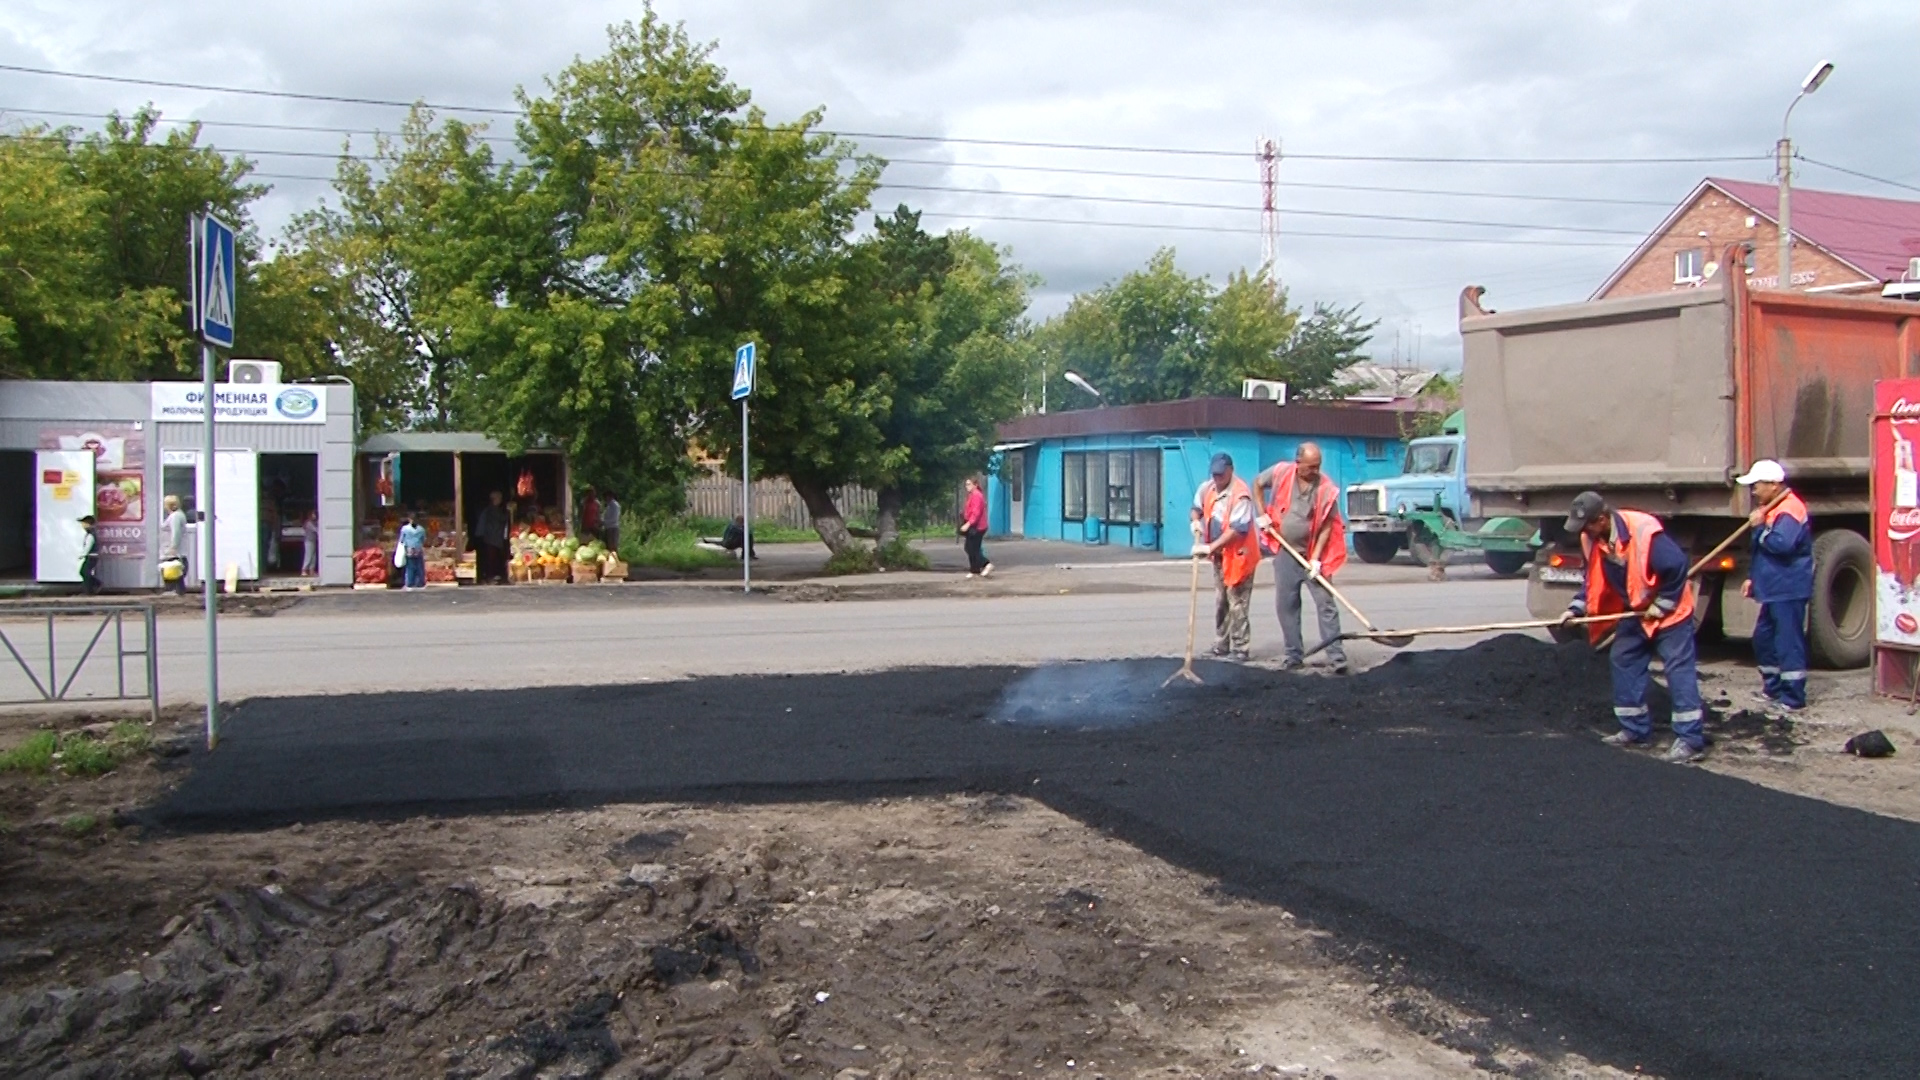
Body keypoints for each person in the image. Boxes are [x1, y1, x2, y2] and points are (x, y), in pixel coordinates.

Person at [1560, 491, 1706, 763]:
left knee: (1677, 668)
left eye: (1587, 526)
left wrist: (1662, 605)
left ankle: (1690, 740)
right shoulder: (1593, 539)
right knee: (1623, 658)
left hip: (1670, 613)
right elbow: (1592, 579)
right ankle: (1635, 729)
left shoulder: (1643, 531)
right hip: (1637, 612)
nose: (1583, 532)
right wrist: (1576, 608)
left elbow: (1677, 567)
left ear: (1601, 519)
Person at [1254, 442, 1349, 674]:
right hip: (1286, 551)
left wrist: (1316, 559)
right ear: (1298, 464)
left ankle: (1336, 657)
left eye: (1318, 466)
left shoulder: (1326, 488)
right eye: (1311, 467)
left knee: (1326, 604)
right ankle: (1293, 655)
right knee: (1287, 605)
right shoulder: (1281, 473)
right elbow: (1256, 484)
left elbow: (1327, 524)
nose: (1316, 471)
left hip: (1313, 553)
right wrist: (1262, 515)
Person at [1737, 459, 1813, 713]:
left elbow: (1782, 545)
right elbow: (1762, 553)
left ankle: (1793, 698)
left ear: (1773, 485)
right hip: (1773, 587)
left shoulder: (1789, 510)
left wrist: (1760, 530)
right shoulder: (1771, 509)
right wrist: (1753, 578)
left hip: (1788, 587)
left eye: (1756, 485)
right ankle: (1773, 689)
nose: (1753, 491)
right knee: (1764, 639)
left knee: (1788, 642)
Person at [1191, 452, 1260, 661]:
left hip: (1240, 556)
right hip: (1220, 556)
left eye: (1221, 474)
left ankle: (1241, 647)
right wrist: (1195, 523)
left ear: (1230, 470)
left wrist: (1210, 547)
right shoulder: (1207, 488)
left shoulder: (1241, 494)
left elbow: (1237, 530)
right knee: (1221, 601)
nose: (1217, 478)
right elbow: (1196, 509)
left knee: (1237, 602)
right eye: (1215, 474)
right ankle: (1222, 644)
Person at [474, 491, 512, 585]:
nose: (500, 500)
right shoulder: (493, 510)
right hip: (493, 538)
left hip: (492, 538)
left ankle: (492, 576)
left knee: (493, 558)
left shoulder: (491, 509)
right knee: (492, 559)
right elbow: (502, 518)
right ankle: (490, 577)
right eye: (499, 498)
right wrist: (510, 511)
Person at [960, 476, 993, 577]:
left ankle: (986, 564)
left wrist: (968, 524)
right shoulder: (972, 495)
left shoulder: (977, 495)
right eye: (966, 484)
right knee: (970, 548)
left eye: (969, 484)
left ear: (975, 485)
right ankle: (974, 570)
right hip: (974, 525)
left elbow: (976, 513)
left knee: (972, 548)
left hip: (978, 527)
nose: (967, 486)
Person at [158, 495, 188, 594]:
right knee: (175, 569)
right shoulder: (178, 515)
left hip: (172, 551)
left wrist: (173, 546)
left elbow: (176, 532)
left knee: (171, 569)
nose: (164, 507)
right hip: (172, 550)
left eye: (165, 504)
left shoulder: (175, 516)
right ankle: (178, 591)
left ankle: (173, 590)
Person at [399, 514, 427, 591]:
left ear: (409, 519)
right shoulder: (421, 529)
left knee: (410, 567)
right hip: (418, 549)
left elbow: (402, 540)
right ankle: (420, 582)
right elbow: (423, 539)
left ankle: (409, 583)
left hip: (409, 549)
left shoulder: (405, 529)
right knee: (419, 566)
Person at [77, 514, 102, 595]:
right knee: (84, 572)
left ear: (88, 524)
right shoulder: (90, 533)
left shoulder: (91, 534)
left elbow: (88, 546)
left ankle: (90, 589)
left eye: (83, 523)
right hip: (92, 556)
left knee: (84, 572)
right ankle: (93, 587)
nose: (82, 525)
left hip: (92, 556)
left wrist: (82, 555)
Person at [300, 511, 320, 576]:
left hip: (313, 541)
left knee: (313, 556)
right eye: (313, 514)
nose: (314, 515)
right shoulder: (309, 523)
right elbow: (316, 530)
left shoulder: (313, 522)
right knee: (308, 556)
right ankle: (304, 569)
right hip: (309, 541)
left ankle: (312, 570)